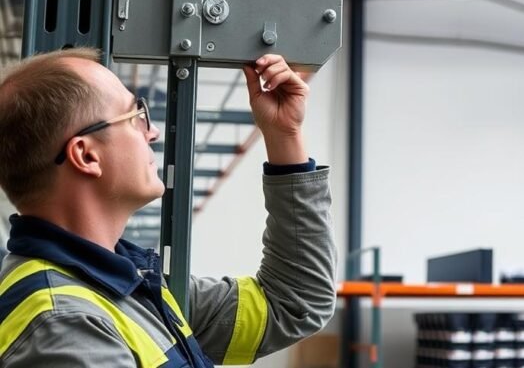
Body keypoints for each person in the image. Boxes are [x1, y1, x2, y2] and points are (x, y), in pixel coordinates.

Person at [0, 49, 337, 367]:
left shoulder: (127, 287)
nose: (154, 132)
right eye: (136, 117)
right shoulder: (66, 324)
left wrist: (284, 134)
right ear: (87, 155)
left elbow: (291, 305)